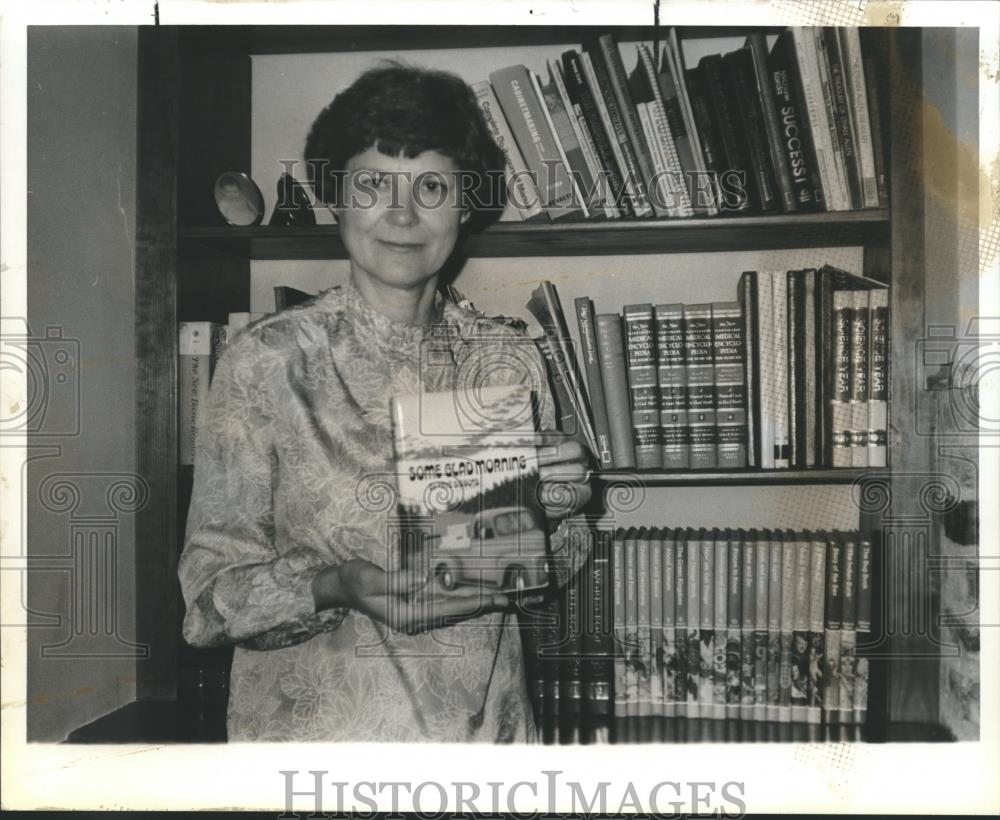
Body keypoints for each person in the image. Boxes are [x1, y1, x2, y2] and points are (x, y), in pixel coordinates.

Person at [177, 61, 593, 743]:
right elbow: (207, 601)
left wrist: (555, 511)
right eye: (373, 184)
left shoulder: (510, 360)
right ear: (336, 199)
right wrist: (336, 585)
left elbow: (558, 554)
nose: (402, 214)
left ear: (466, 204)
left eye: (432, 185)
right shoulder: (265, 362)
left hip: (485, 748)